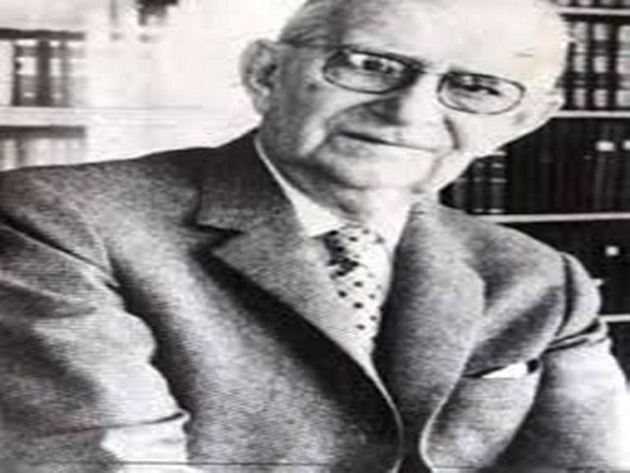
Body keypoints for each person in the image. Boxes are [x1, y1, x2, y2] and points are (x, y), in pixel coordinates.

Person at [0, 0, 628, 471]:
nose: (409, 111)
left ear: (521, 122)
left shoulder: (541, 279)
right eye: (370, 65)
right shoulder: (59, 219)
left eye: (476, 88)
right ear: (265, 73)